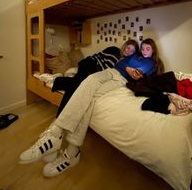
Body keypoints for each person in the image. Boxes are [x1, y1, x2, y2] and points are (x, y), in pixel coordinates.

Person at [19, 38, 164, 178]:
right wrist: (127, 67)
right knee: (88, 81)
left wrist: (132, 71)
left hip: (121, 80)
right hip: (111, 72)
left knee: (91, 98)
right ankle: (57, 135)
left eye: (148, 48)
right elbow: (120, 64)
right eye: (143, 47)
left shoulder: (151, 63)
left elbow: (141, 72)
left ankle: (67, 146)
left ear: (153, 51)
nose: (144, 50)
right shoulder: (134, 56)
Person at [53, 39, 139, 117]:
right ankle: (60, 116)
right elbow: (103, 63)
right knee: (76, 86)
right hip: (90, 64)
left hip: (95, 71)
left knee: (79, 84)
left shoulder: (124, 61)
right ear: (125, 46)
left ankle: (58, 81)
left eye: (132, 51)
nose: (128, 52)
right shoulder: (114, 49)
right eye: (128, 48)